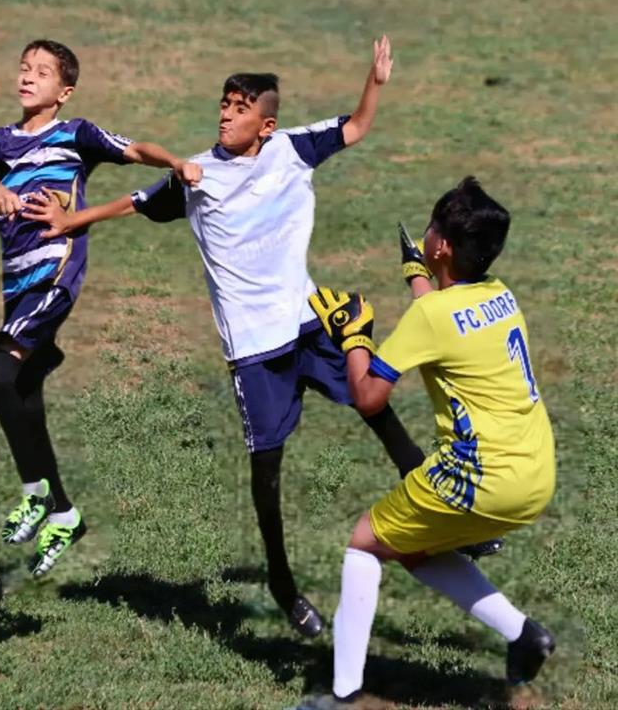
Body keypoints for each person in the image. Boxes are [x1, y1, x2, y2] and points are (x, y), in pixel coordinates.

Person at [22, 38, 431, 634]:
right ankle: (284, 585)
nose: (225, 115)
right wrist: (68, 220)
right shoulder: (197, 174)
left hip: (308, 321)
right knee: (267, 473)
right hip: (254, 350)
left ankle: (442, 509)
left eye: (239, 108)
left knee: (376, 405)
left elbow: (358, 126)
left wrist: (376, 81)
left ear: (265, 125)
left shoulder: (292, 150)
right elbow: (132, 203)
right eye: (223, 104)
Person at [293, 178, 555, 709]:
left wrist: (354, 335)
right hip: (536, 473)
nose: (428, 234)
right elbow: (443, 318)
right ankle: (525, 635)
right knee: (412, 547)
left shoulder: (431, 316)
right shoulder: (498, 293)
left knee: (364, 542)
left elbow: (368, 396)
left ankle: (343, 695)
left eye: (432, 229)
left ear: (441, 245)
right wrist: (420, 275)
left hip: (479, 480)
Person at [0, 39, 201, 577]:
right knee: (22, 389)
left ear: (64, 91)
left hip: (55, 274)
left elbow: (135, 150)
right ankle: (65, 514)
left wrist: (175, 161)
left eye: (43, 72)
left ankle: (34, 494)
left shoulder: (76, 134)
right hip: (17, 282)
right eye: (25, 68)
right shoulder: (1, 139)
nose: (28, 77)